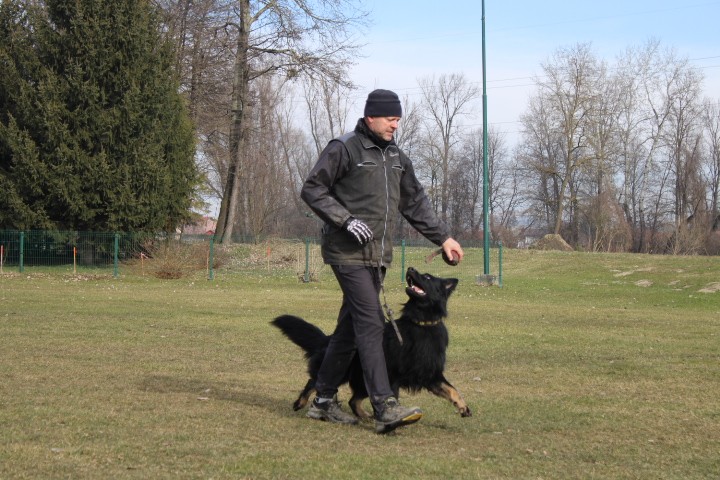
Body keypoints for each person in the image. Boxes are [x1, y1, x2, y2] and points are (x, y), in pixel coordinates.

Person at [300, 89, 464, 434]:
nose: (395, 124)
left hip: (377, 257)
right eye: (391, 118)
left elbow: (415, 203)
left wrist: (444, 238)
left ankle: (324, 401)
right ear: (371, 116)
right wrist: (345, 219)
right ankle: (385, 404)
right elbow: (313, 189)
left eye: (398, 118)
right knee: (373, 322)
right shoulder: (344, 148)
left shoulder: (397, 158)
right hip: (347, 253)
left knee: (349, 330)